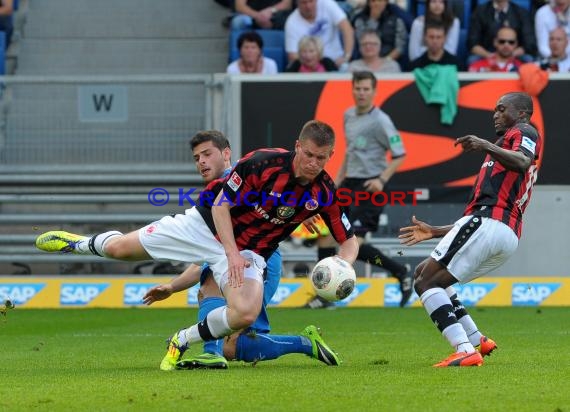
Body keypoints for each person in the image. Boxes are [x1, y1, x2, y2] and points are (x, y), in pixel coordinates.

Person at [35, 121, 359, 370]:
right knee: (120, 250)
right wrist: (227, 255)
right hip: (204, 226)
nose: (314, 163)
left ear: (331, 156)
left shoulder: (325, 192)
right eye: (308, 155)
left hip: (250, 252)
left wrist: (344, 265)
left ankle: (183, 339)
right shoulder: (263, 163)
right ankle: (78, 244)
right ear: (297, 147)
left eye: (321, 158)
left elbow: (348, 241)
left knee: (244, 313)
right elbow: (220, 205)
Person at [138, 131, 340, 369]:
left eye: (207, 154)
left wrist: (297, 208)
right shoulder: (220, 190)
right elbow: (208, 256)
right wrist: (172, 286)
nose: (201, 161)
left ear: (226, 154)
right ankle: (217, 353)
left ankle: (216, 353)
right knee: (228, 329)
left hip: (259, 258)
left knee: (230, 328)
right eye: (196, 157)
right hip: (238, 255)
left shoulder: (240, 179)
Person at [399, 92, 541, 367]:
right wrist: (436, 231)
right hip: (500, 231)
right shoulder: (505, 144)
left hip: (491, 224)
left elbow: (523, 161)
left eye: (502, 109)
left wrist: (486, 144)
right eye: (494, 109)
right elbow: (482, 213)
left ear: (522, 113)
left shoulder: (524, 131)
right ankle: (477, 340)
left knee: (425, 282)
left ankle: (464, 349)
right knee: (430, 276)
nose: (495, 114)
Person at [308, 71, 412, 309]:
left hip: (370, 186)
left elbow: (400, 154)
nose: (362, 93)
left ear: (374, 92)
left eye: (366, 89)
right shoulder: (348, 116)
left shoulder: (381, 120)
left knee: (356, 243)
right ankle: (324, 296)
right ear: (352, 89)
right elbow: (350, 151)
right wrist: (336, 181)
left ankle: (400, 271)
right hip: (348, 184)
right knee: (325, 236)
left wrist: (381, 180)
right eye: (358, 88)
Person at [284, 0, 355, 68]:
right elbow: (293, 56)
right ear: (297, 3)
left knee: (346, 69)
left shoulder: (327, 4)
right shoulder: (291, 22)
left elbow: (347, 30)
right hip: (309, 68)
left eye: (311, 1)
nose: (308, 6)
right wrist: (313, 65)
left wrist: (346, 57)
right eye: (304, 2)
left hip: (337, 63)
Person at [468, 0, 536, 64]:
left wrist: (512, 54)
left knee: (528, 59)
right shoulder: (480, 11)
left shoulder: (521, 12)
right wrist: (488, 55)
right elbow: (472, 42)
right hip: (487, 53)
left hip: (514, 54)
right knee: (473, 60)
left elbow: (529, 43)